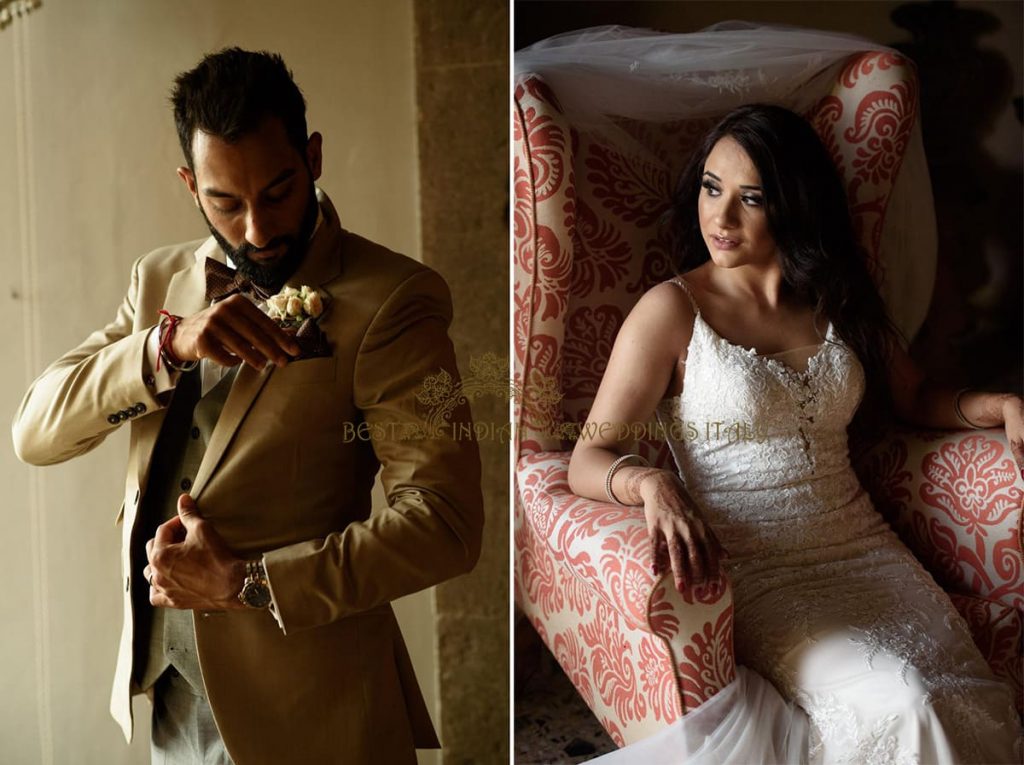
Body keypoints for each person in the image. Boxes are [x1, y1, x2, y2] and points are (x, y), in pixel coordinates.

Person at [11, 48, 483, 764]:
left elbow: (445, 522)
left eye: (279, 190)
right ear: (190, 186)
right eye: (227, 203)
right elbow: (34, 431)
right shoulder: (160, 280)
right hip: (172, 701)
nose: (259, 230)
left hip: (315, 716)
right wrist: (165, 348)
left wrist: (248, 583)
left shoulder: (393, 299)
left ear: (314, 158)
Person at [568, 103, 1022, 763]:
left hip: (869, 553)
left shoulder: (836, 295)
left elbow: (916, 395)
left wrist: (1000, 403)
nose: (719, 218)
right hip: (762, 572)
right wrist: (650, 481)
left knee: (955, 694)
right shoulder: (671, 309)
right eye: (711, 188)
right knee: (907, 701)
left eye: (750, 198)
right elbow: (588, 456)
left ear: (792, 203)